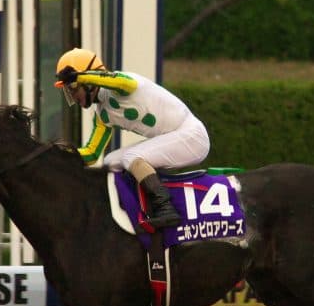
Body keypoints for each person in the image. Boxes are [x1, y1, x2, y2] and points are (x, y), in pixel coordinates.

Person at [54, 47, 210, 228]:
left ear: (88, 83)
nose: (72, 96)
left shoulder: (122, 85)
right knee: (111, 160)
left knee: (132, 157)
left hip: (192, 136)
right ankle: (132, 207)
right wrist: (57, 153)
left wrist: (80, 76)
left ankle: (166, 208)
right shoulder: (102, 114)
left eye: (72, 89)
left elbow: (120, 81)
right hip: (176, 137)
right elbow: (91, 155)